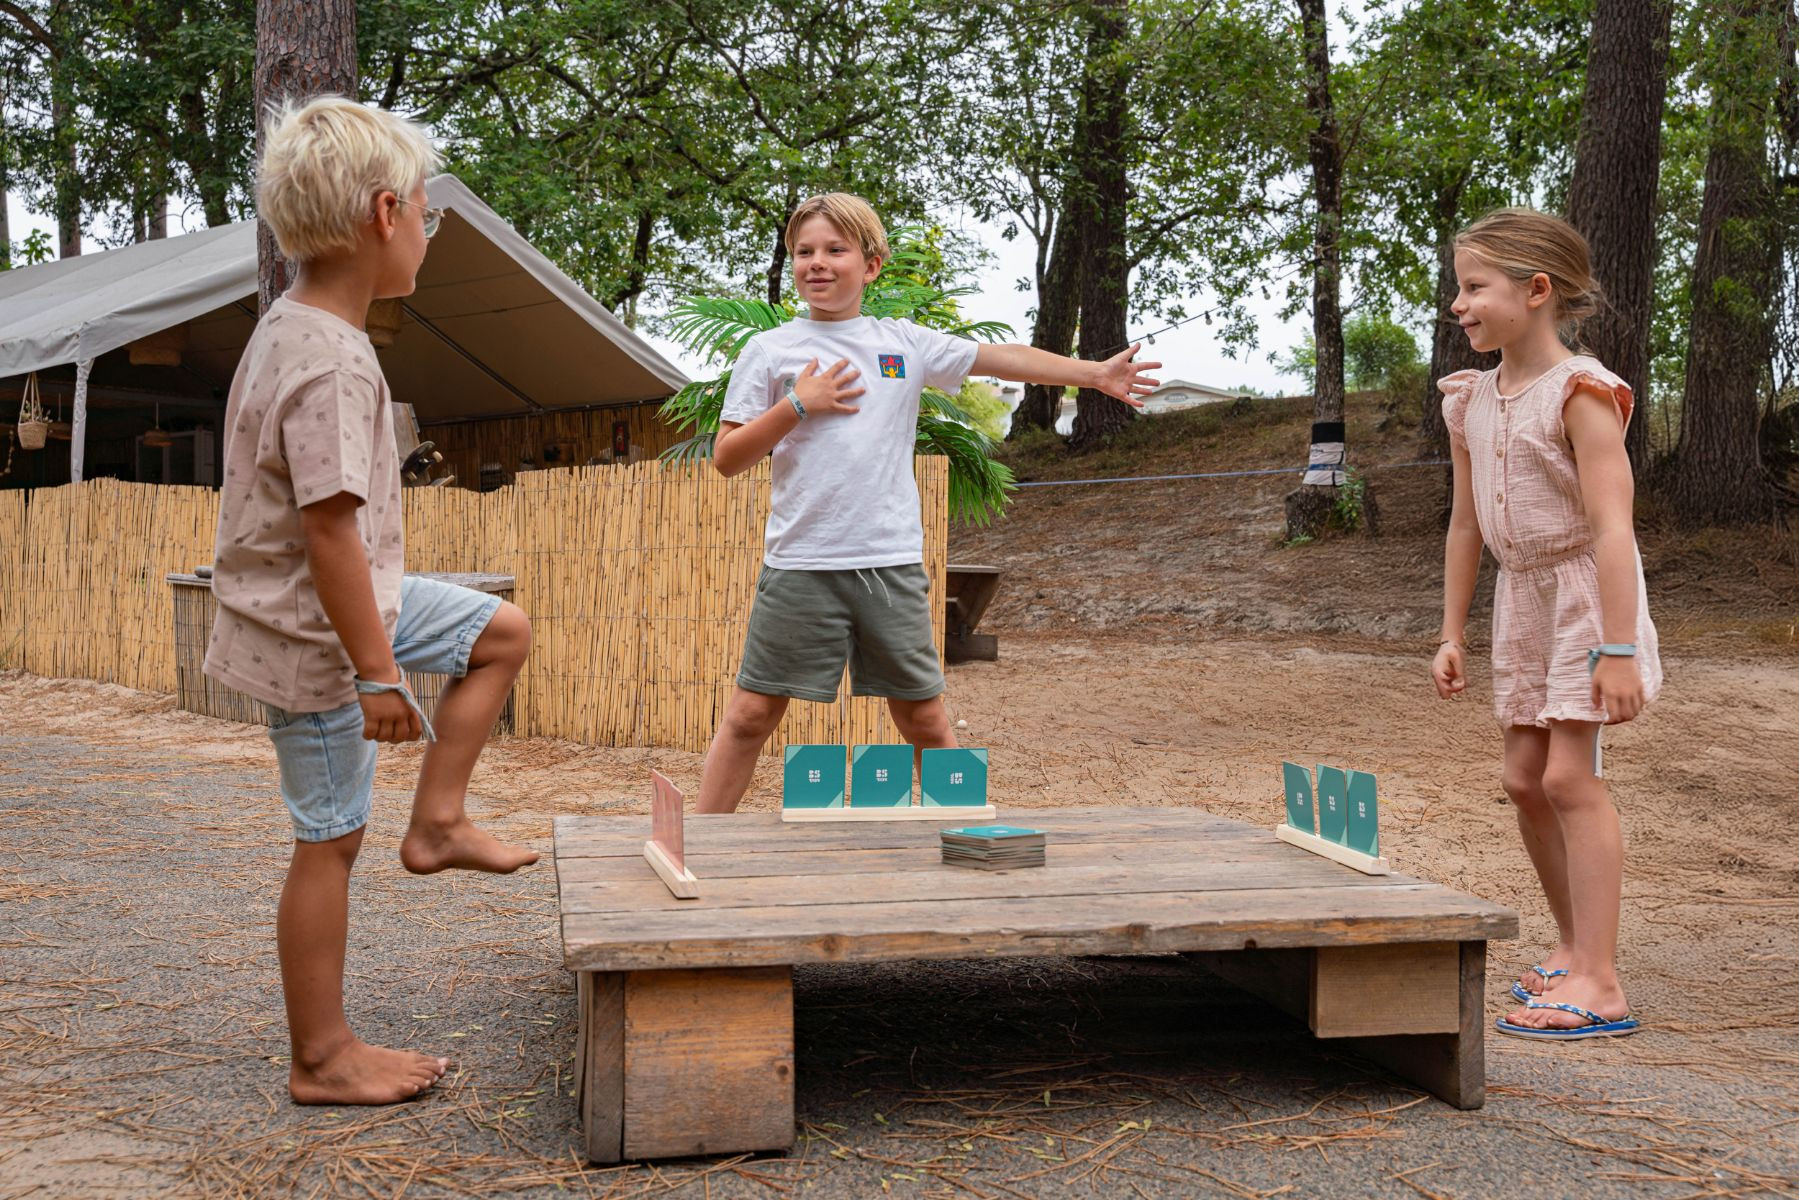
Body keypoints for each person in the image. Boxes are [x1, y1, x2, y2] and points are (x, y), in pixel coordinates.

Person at [205, 96, 538, 1104]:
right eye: (427, 213)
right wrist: (377, 675)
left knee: (500, 632)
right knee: (329, 838)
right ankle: (321, 1056)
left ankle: (437, 823)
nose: (429, 234)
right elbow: (329, 534)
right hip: (314, 636)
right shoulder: (330, 363)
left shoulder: (298, 327)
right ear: (385, 214)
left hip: (346, 604)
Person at [695, 192, 1159, 814]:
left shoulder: (903, 343)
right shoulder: (770, 350)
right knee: (751, 714)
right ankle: (700, 842)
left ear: (871, 265)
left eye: (835, 249)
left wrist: (1094, 374)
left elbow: (1006, 358)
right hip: (800, 563)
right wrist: (798, 404)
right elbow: (728, 457)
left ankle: (969, 836)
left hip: (889, 564)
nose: (817, 263)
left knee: (924, 719)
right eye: (804, 252)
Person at [1432, 207, 1661, 1040]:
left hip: (1584, 598)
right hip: (1520, 598)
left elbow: (1612, 529)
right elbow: (1465, 524)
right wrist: (1451, 631)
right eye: (1457, 287)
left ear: (1534, 291)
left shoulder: (1580, 393)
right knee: (1524, 779)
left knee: (1568, 779)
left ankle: (1601, 981)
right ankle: (1571, 948)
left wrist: (1616, 647)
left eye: (1473, 287)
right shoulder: (1470, 399)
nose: (1458, 304)